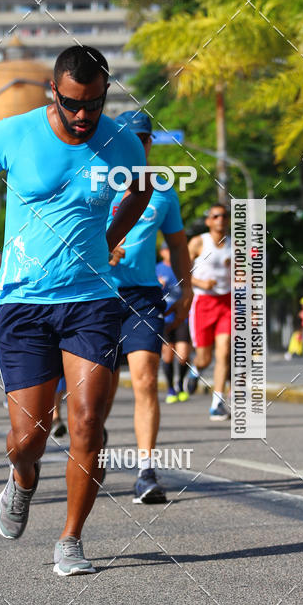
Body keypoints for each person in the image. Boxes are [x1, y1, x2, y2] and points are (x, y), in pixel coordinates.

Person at [0, 45, 153, 575]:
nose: (83, 115)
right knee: (27, 439)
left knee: (87, 422)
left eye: (93, 103)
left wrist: (109, 237)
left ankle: (71, 540)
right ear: (53, 94)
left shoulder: (123, 142)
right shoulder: (12, 134)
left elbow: (139, 193)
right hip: (24, 304)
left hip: (92, 300)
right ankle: (21, 478)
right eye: (72, 104)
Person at [103, 111, 192, 504]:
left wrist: (185, 289)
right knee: (97, 394)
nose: (138, 144)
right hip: (97, 296)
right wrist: (100, 249)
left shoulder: (163, 189)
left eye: (144, 138)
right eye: (130, 138)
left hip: (142, 295)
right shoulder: (95, 182)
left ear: (150, 142)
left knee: (144, 377)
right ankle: (94, 438)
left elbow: (177, 243)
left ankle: (146, 472)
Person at [187, 204, 232, 420]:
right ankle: (196, 369)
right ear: (208, 221)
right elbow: (181, 272)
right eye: (215, 216)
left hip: (227, 303)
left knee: (223, 352)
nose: (220, 219)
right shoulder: (198, 242)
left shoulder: (235, 245)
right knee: (204, 358)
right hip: (203, 303)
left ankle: (217, 403)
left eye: (224, 216)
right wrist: (200, 283)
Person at [157, 244, 192, 403]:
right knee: (168, 355)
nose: (169, 252)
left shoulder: (182, 268)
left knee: (183, 355)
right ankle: (171, 388)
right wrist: (158, 285)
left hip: (182, 317)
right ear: (162, 252)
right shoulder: (156, 269)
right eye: (166, 250)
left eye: (171, 249)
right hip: (164, 318)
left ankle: (180, 382)